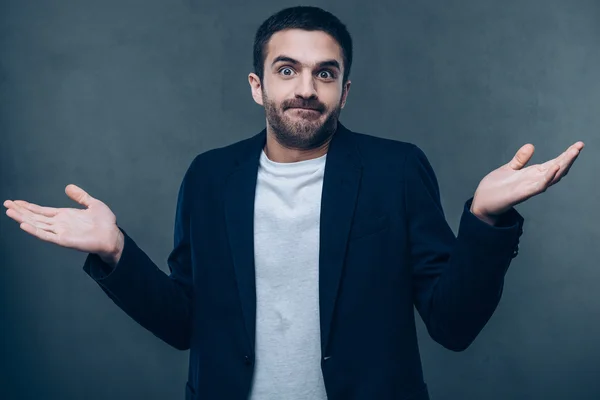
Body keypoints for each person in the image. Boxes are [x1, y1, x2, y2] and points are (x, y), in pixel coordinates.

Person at [3, 6, 584, 400]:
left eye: (324, 73)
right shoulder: (210, 176)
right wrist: (115, 252)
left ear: (344, 89)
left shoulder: (396, 170)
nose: (306, 87)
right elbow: (187, 324)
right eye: (288, 70)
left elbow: (453, 325)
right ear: (259, 85)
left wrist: (485, 220)